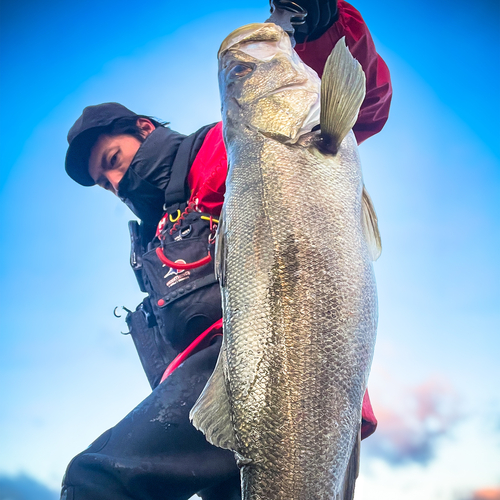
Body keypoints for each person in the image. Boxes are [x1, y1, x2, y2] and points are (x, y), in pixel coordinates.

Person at [61, 1, 392, 499]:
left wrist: (324, 29)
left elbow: (360, 110)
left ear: (144, 130)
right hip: (210, 416)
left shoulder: (230, 146)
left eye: (112, 159)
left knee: (97, 481)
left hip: (270, 376)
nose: (112, 181)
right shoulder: (154, 238)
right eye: (101, 180)